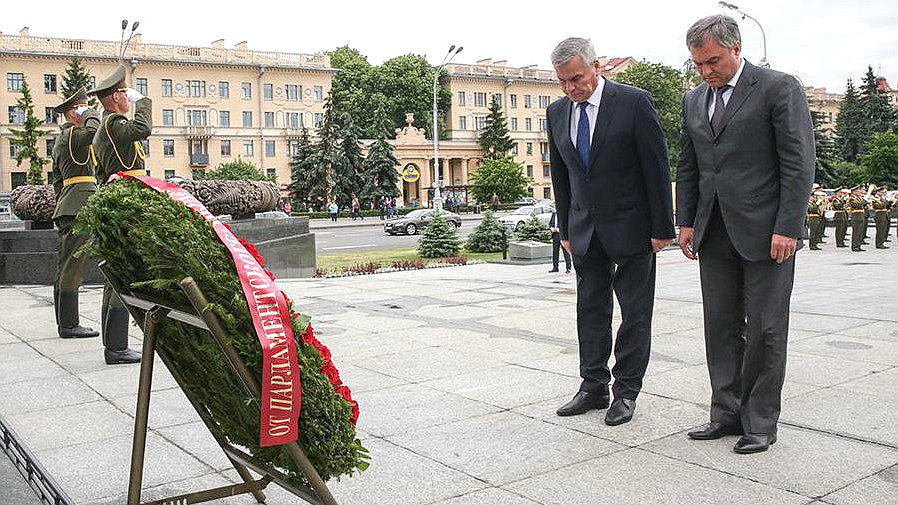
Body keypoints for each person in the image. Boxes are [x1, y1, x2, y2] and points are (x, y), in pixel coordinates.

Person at [676, 15, 815, 454]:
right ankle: (725, 413)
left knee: (766, 329)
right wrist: (685, 221)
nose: (706, 71)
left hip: (767, 233)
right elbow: (690, 164)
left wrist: (788, 226)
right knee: (719, 326)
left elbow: (798, 162)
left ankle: (759, 422)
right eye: (698, 64)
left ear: (736, 49)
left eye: (713, 61)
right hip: (712, 232)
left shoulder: (777, 88)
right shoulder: (694, 100)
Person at [548, 37, 675, 426]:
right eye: (563, 82)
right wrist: (566, 226)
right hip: (585, 231)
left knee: (635, 313)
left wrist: (662, 226)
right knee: (590, 309)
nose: (571, 88)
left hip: (634, 228)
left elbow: (656, 165)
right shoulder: (557, 113)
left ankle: (626, 392)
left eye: (577, 78)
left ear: (597, 67)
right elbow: (562, 175)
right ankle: (592, 386)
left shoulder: (633, 102)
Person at [89, 64, 151, 365]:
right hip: (126, 204)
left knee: (114, 276)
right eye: (125, 93)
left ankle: (114, 344)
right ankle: (116, 347)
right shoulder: (113, 125)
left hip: (118, 202)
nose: (129, 98)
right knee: (123, 273)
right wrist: (144, 103)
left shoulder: (106, 127)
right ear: (115, 97)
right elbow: (144, 129)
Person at [50, 87, 101, 339]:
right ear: (74, 113)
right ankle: (69, 325)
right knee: (74, 265)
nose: (85, 113)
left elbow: (58, 182)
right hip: (79, 206)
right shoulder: (73, 136)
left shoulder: (63, 139)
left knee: (65, 265)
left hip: (70, 204)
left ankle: (64, 321)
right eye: (80, 109)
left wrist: (65, 202)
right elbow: (94, 132)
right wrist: (90, 111)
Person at [548, 209, 571, 273]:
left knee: (565, 251)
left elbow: (566, 223)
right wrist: (551, 228)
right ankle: (555, 267)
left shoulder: (562, 214)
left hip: (562, 235)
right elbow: (550, 224)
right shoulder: (553, 214)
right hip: (555, 235)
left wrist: (560, 229)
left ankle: (568, 267)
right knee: (555, 252)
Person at [849, 186, 868, 252]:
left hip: (861, 216)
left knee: (860, 232)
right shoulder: (852, 199)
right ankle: (854, 246)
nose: (859, 192)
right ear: (854, 192)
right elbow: (858, 205)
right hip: (856, 216)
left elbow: (864, 204)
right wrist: (865, 200)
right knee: (856, 232)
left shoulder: (859, 198)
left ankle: (858, 245)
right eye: (857, 191)